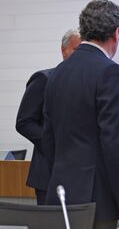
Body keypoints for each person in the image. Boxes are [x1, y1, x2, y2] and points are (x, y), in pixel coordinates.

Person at [42, 0, 119, 229]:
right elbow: (115, 143)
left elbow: (48, 138)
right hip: (96, 200)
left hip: (60, 196)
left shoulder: (57, 73)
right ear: (116, 33)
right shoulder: (111, 72)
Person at [15, 29, 81, 205]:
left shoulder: (86, 83)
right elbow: (24, 122)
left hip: (80, 176)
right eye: (76, 50)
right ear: (63, 50)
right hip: (49, 173)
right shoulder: (44, 79)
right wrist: (54, 141)